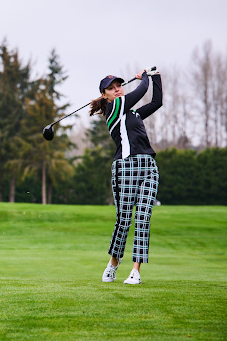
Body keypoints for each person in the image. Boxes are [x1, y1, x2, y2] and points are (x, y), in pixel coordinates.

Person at [89, 67, 162, 284]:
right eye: (111, 89)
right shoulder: (114, 109)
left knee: (143, 217)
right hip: (125, 167)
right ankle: (113, 264)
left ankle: (136, 271)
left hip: (148, 166)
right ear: (105, 95)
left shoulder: (134, 114)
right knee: (124, 220)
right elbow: (142, 90)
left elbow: (156, 102)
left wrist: (156, 77)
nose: (117, 90)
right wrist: (145, 78)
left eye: (119, 86)